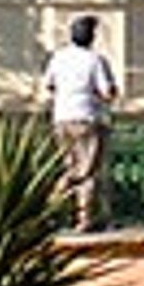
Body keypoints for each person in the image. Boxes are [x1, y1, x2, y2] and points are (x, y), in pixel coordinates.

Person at [44, 12, 118, 230]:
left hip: (62, 118)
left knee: (70, 164)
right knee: (86, 171)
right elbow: (107, 91)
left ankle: (53, 208)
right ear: (91, 37)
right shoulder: (95, 60)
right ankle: (83, 217)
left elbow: (49, 85)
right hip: (86, 118)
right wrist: (109, 93)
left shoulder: (58, 58)